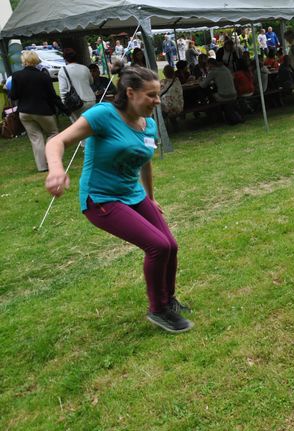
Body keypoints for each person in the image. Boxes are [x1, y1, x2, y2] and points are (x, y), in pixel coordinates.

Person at [44, 62, 193, 333]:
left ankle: (168, 300)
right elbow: (57, 141)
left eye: (158, 94)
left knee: (170, 245)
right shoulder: (103, 115)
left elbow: (144, 161)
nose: (157, 101)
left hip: (133, 194)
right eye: (151, 95)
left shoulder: (147, 124)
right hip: (101, 199)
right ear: (130, 92)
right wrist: (56, 170)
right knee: (158, 246)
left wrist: (151, 197)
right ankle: (158, 309)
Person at [9, 51, 68, 172]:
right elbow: (52, 96)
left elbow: (13, 96)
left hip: (25, 112)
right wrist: (65, 109)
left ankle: (42, 166)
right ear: (36, 61)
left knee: (36, 138)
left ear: (23, 61)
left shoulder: (16, 76)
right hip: (43, 111)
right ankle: (52, 160)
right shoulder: (43, 76)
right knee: (53, 133)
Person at [59, 48, 96, 121]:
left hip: (76, 103)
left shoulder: (62, 71)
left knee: (79, 127)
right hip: (91, 100)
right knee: (92, 125)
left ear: (65, 58)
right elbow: (91, 82)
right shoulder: (85, 68)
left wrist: (65, 104)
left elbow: (63, 90)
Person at [160, 65, 184, 131]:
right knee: (170, 104)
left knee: (162, 106)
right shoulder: (177, 80)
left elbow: (158, 93)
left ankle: (164, 127)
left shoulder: (163, 82)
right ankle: (174, 124)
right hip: (179, 106)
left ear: (164, 73)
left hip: (167, 108)